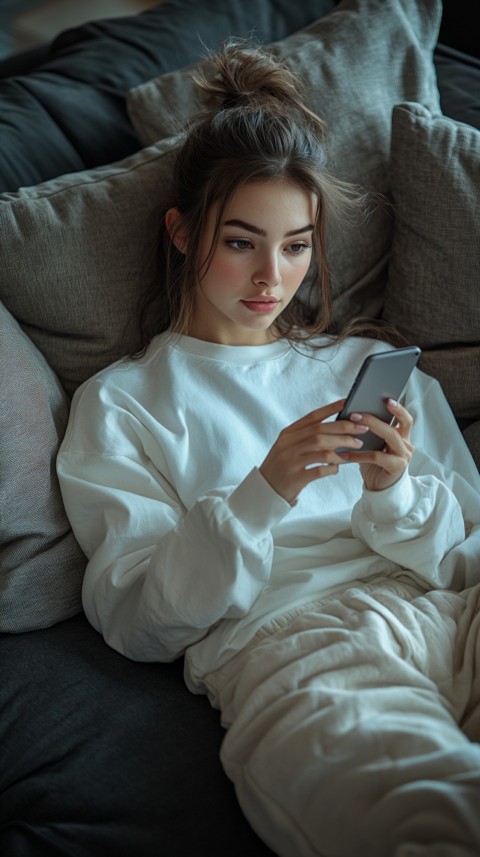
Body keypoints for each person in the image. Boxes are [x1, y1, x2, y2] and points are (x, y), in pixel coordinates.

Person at [57, 40, 480, 857]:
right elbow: (141, 622)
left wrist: (393, 492)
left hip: (448, 610)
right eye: (242, 241)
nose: (272, 278)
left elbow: (465, 556)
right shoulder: (121, 404)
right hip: (298, 643)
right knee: (435, 820)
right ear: (182, 233)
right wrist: (264, 490)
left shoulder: (368, 365)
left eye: (296, 245)